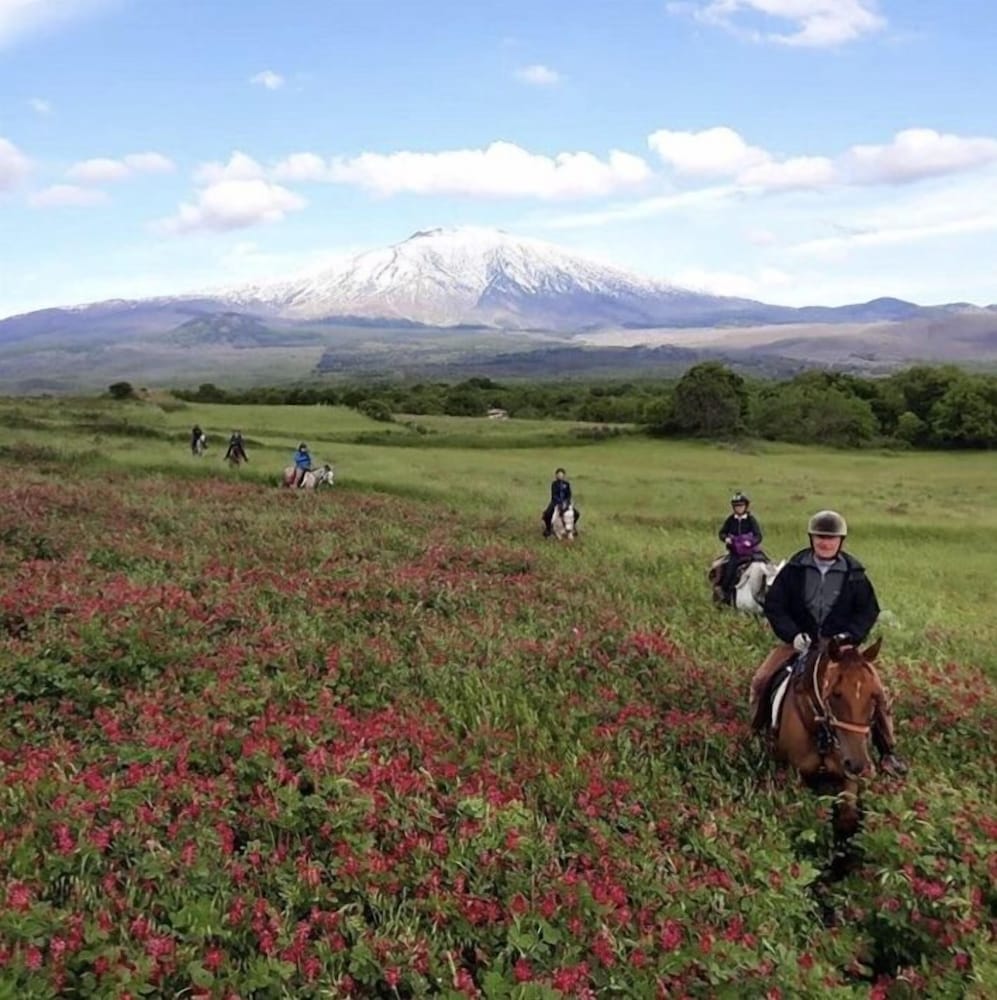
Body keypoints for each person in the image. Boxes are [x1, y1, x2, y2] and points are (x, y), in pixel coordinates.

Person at [750, 509, 908, 776]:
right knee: (762, 679)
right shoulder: (794, 570)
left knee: (878, 692)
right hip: (800, 643)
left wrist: (850, 637)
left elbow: (868, 611)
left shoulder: (855, 574)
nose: (825, 542)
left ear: (841, 541)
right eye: (820, 537)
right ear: (812, 538)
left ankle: (887, 751)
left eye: (831, 538)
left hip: (842, 649)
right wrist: (793, 634)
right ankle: (758, 732)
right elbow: (775, 605)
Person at [717, 491, 764, 605]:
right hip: (735, 553)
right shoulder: (730, 520)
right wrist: (726, 539)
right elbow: (722, 533)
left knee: (767, 566)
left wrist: (751, 542)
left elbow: (758, 535)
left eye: (741, 506)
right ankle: (726, 595)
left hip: (750, 553)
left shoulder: (751, 520)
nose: (739, 508)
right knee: (729, 572)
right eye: (736, 506)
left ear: (746, 506)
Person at [542, 468, 580, 536]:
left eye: (561, 475)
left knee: (576, 514)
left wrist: (566, 502)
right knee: (547, 514)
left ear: (564, 475)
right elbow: (553, 495)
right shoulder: (554, 484)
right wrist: (560, 502)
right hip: (555, 502)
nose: (560, 476)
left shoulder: (567, 484)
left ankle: (572, 526)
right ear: (556, 476)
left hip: (566, 502)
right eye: (558, 475)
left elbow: (569, 495)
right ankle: (548, 529)